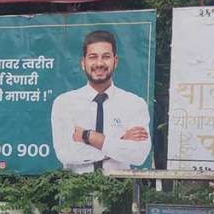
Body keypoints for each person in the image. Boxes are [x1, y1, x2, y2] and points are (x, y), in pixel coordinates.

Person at [51, 30, 153, 173]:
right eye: (93, 57)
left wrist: (88, 136)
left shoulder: (135, 103)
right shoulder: (64, 103)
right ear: (83, 62)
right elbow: (66, 153)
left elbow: (138, 155)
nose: (99, 63)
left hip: (120, 189)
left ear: (115, 61)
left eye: (106, 57)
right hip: (75, 188)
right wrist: (119, 142)